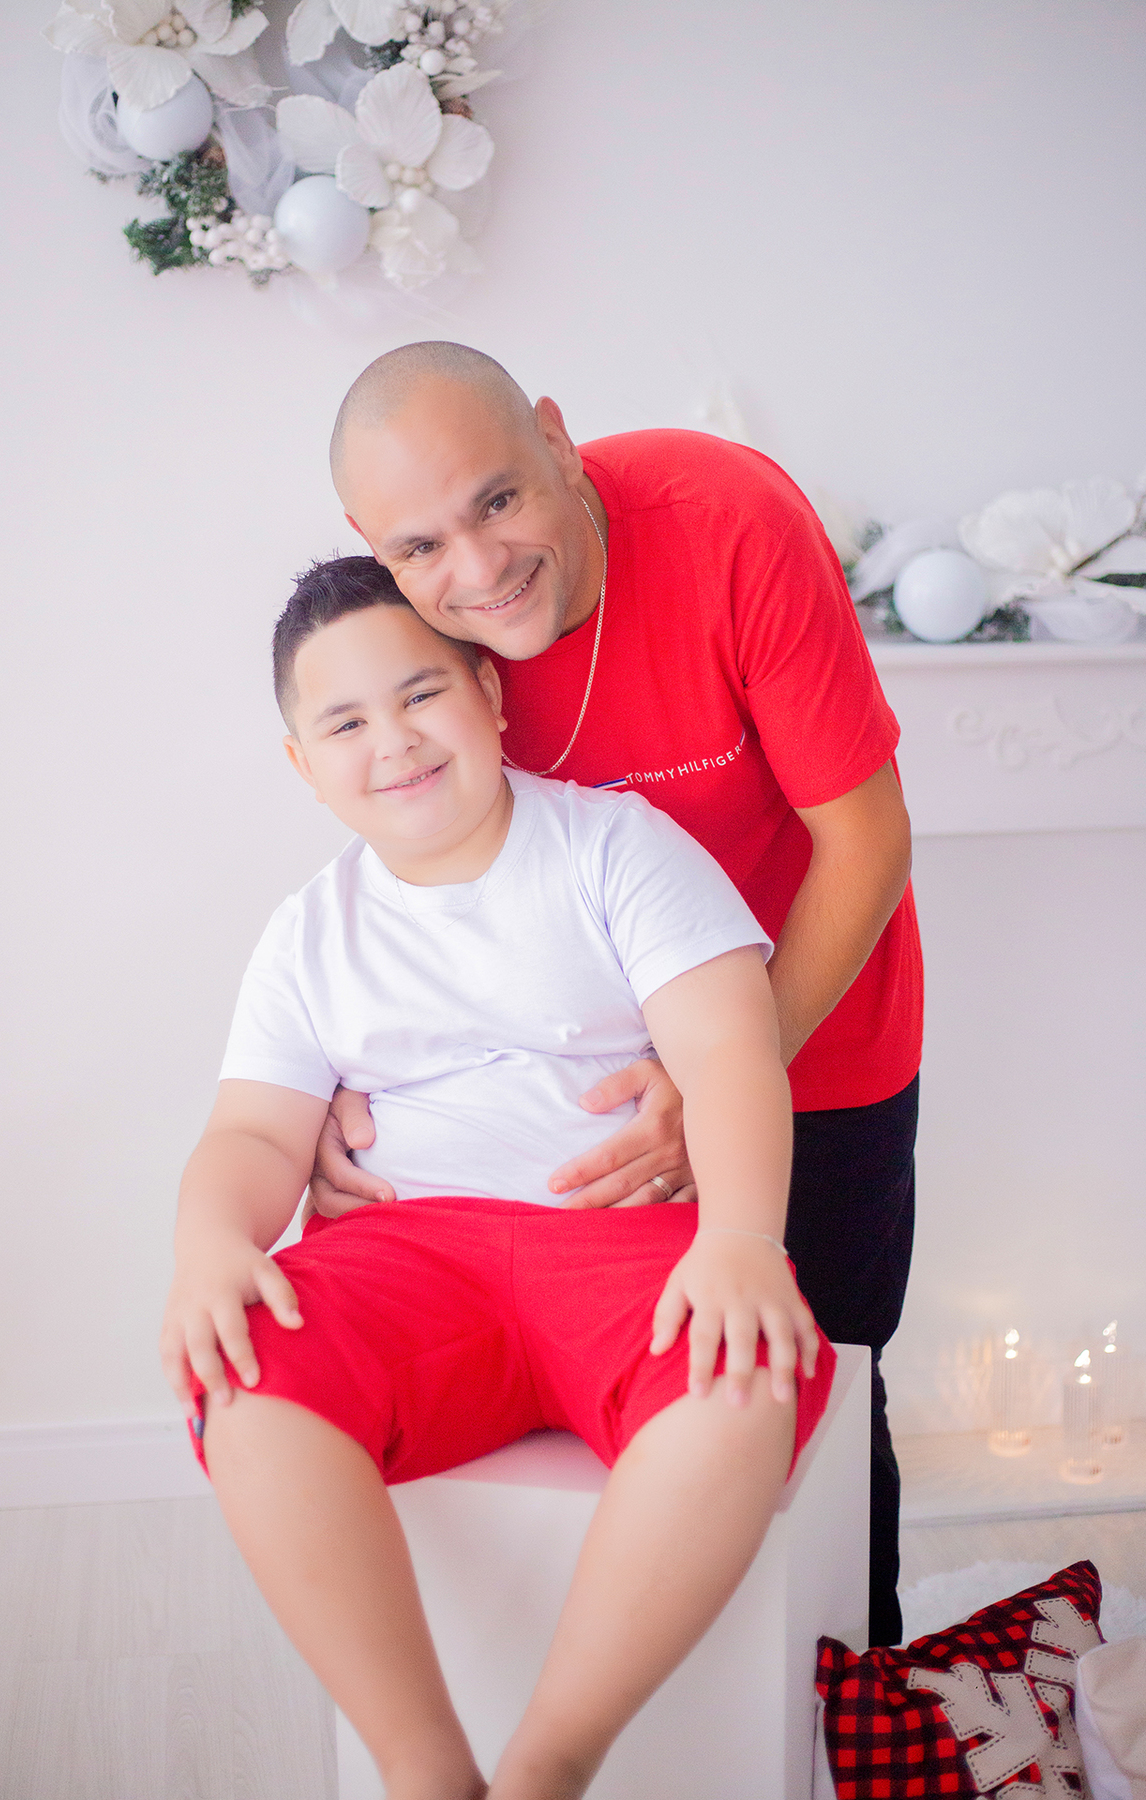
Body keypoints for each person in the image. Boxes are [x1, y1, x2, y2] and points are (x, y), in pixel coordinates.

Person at [161, 557, 833, 1800]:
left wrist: (741, 1234)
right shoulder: (310, 933)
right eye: (346, 723)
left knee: (744, 1367)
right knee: (246, 1375)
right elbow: (254, 1134)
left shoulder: (613, 847)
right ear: (303, 765)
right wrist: (211, 1242)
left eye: (422, 694)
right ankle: (424, 1766)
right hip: (410, 1257)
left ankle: (547, 1761)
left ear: (489, 693)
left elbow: (730, 1052)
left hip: (616, 1246)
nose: (395, 741)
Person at [319, 341, 922, 1647]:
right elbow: (401, 863)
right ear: (375, 546)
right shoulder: (409, 620)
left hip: (815, 1040)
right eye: (421, 544)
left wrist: (716, 1082)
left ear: (554, 434)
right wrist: (321, 1084)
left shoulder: (727, 522)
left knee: (820, 1407)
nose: (476, 570)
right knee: (610, 1447)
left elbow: (865, 840)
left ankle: (860, 1725)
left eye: (499, 500)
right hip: (575, 1095)